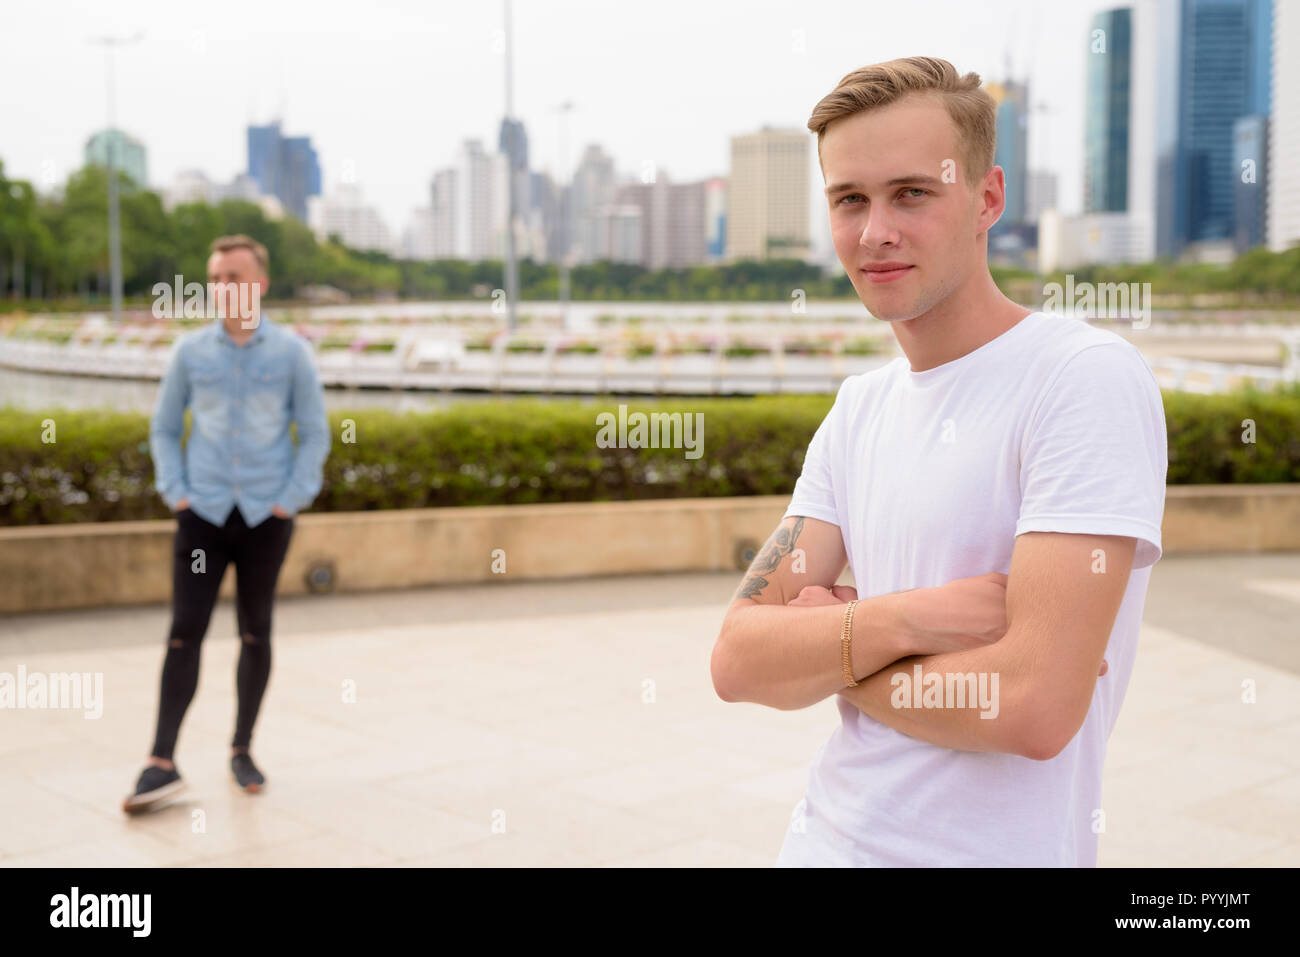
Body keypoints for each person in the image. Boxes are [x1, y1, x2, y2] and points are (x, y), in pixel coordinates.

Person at [710, 57, 1167, 866]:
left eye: (911, 193)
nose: (874, 230)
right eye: (849, 199)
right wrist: (909, 620)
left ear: (987, 198)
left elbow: (1031, 707)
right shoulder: (858, 409)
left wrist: (833, 648)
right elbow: (738, 657)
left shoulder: (1081, 379)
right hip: (821, 841)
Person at [122, 234, 330, 814]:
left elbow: (314, 433)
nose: (222, 289)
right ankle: (160, 761)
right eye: (215, 279)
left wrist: (292, 499)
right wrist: (177, 494)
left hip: (267, 517)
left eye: (233, 278)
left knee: (255, 630)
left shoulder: (292, 354)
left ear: (260, 284)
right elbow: (164, 429)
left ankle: (242, 749)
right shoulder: (191, 353)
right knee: (185, 629)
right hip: (203, 518)